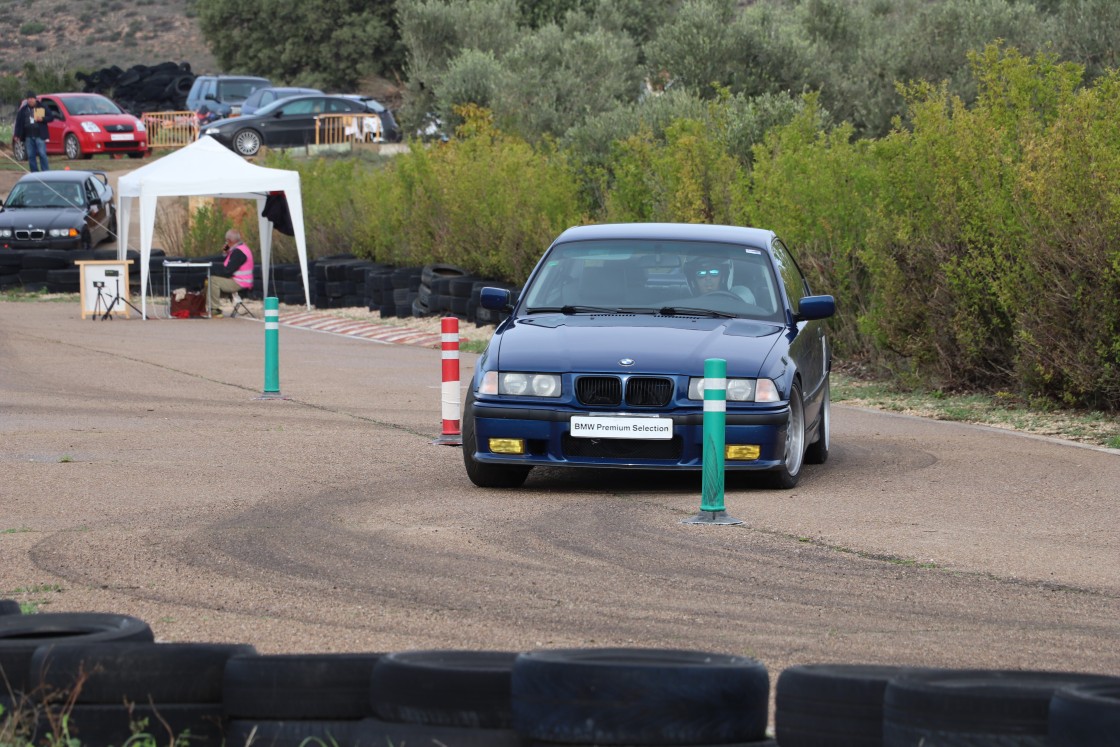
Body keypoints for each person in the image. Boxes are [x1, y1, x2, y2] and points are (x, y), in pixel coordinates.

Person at [209, 229, 255, 317]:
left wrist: (213, 269)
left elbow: (227, 271)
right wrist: (225, 250)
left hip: (240, 282)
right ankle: (208, 307)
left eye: (227, 241)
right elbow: (225, 258)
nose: (226, 243)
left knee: (213, 280)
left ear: (229, 241)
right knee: (209, 280)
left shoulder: (239, 252)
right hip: (240, 280)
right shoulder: (239, 247)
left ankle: (214, 309)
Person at [686, 258, 756, 304]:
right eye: (701, 273)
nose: (708, 278)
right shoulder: (685, 303)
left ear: (723, 277)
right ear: (693, 279)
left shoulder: (741, 296)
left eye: (714, 272)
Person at [13, 91, 53, 172]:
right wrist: (16, 134)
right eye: (29, 99)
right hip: (28, 136)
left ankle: (45, 172)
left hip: (40, 135)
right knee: (31, 156)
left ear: (35, 99)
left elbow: (51, 117)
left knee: (42, 154)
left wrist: (42, 119)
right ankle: (34, 173)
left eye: (32, 98)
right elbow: (18, 123)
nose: (30, 100)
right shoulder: (23, 110)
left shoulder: (41, 107)